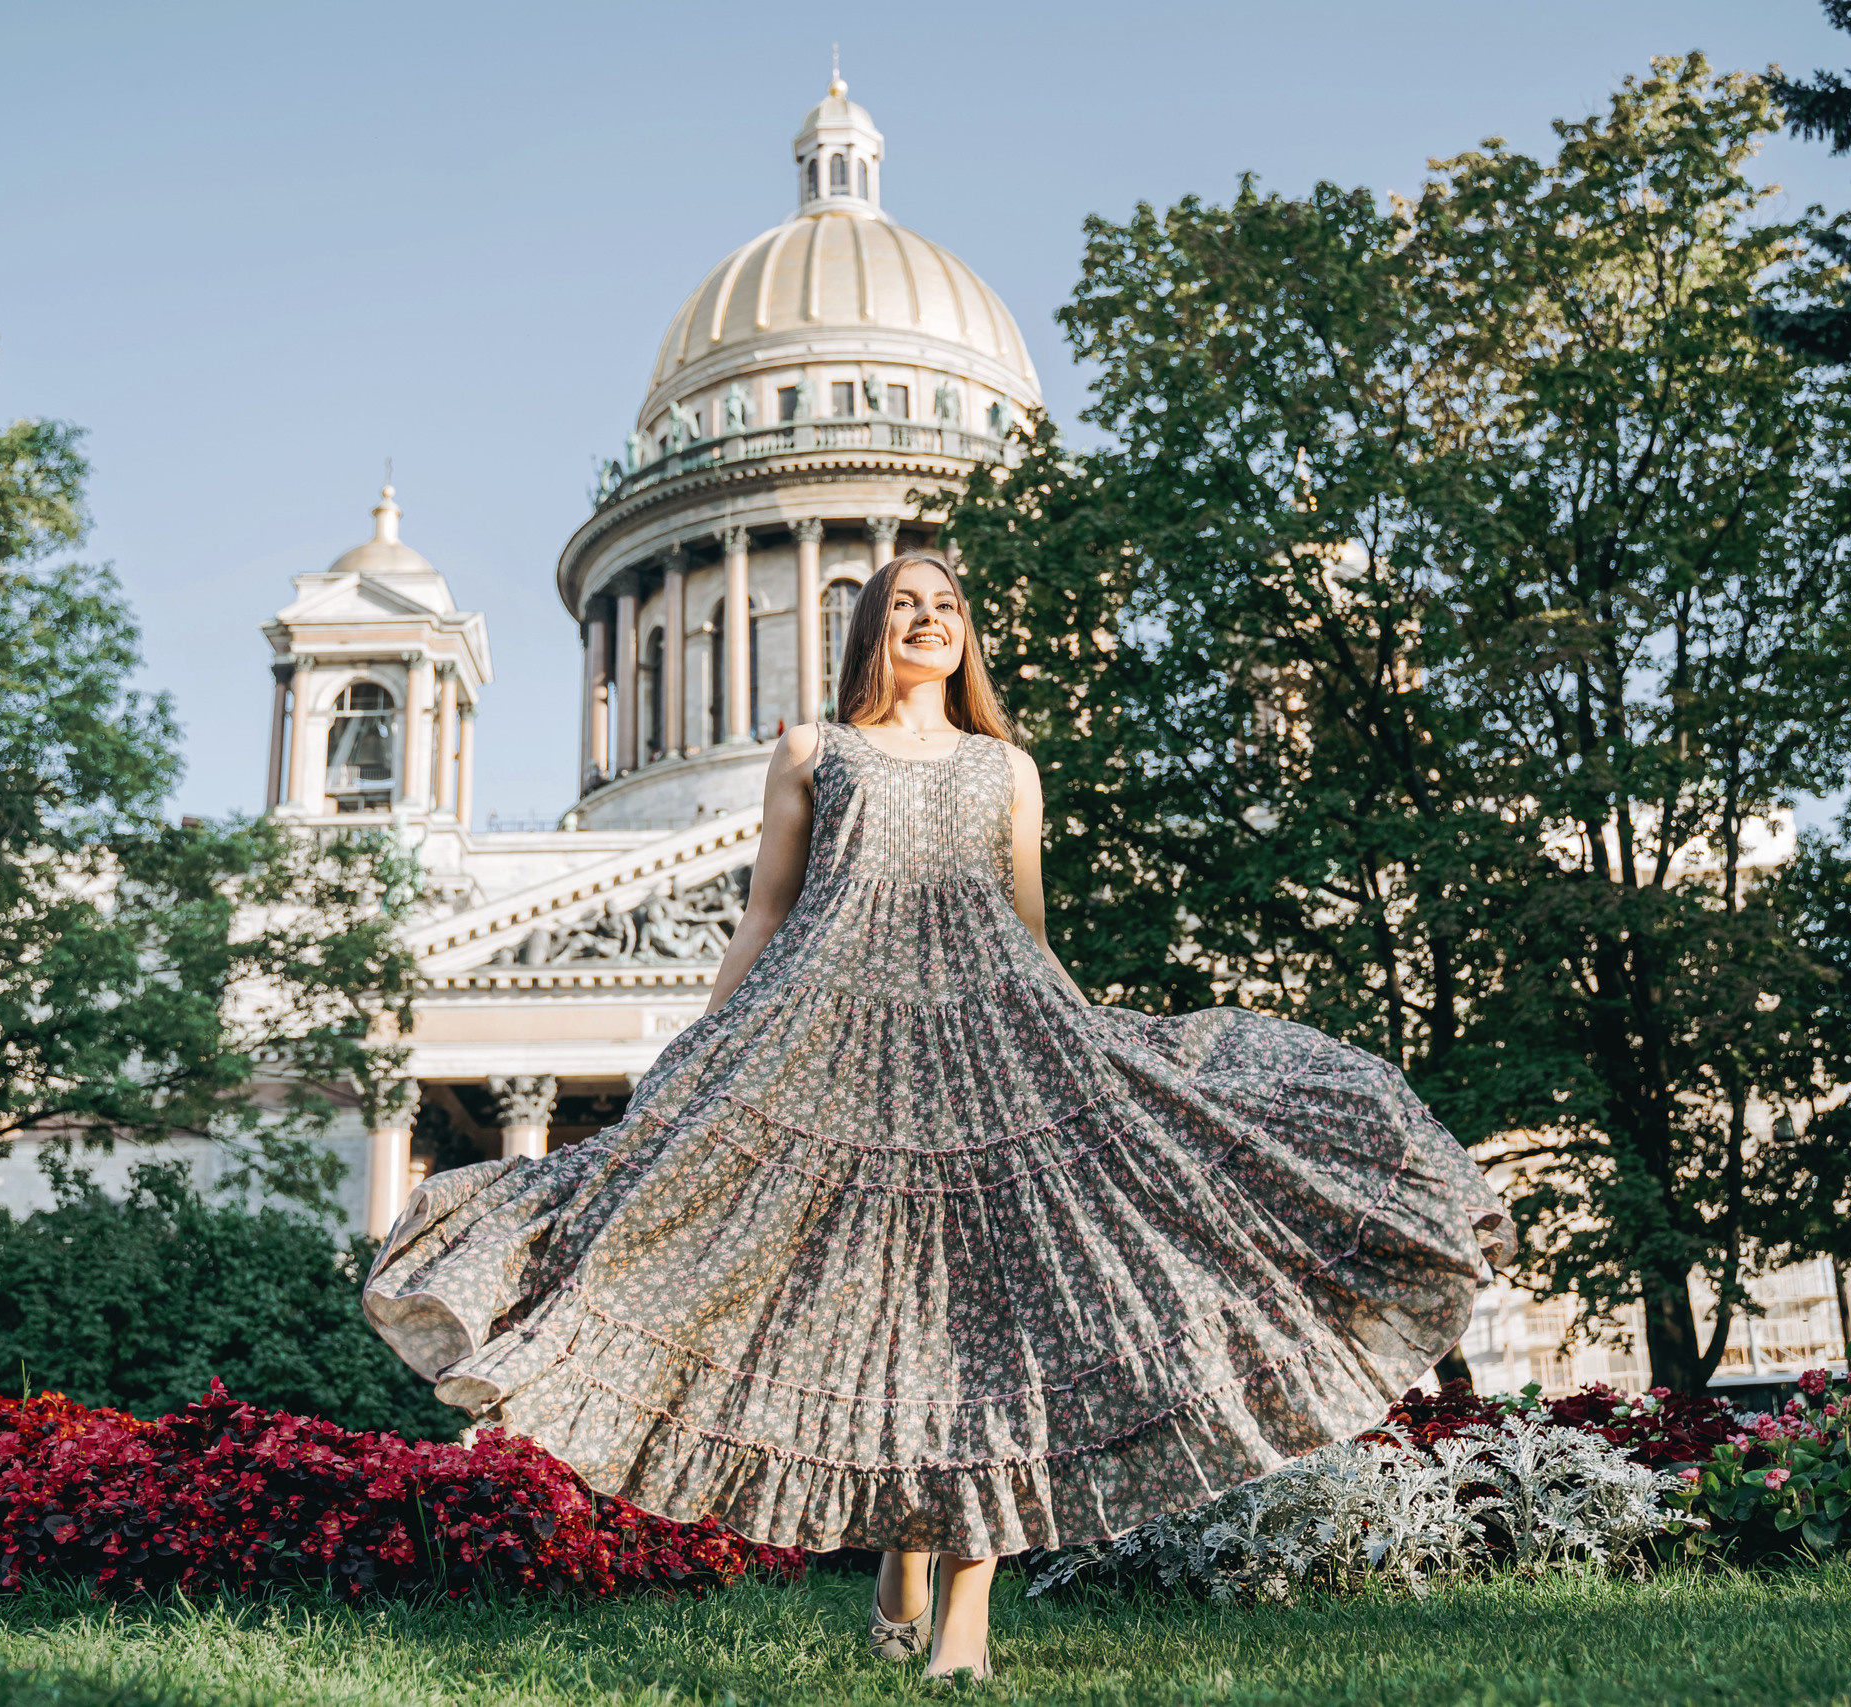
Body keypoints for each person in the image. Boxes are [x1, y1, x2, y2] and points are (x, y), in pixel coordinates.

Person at [365, 553, 1513, 1680]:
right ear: (863, 632)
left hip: (988, 1058)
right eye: (903, 604)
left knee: (995, 1340)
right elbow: (765, 916)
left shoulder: (1006, 768)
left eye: (946, 605)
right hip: (840, 1057)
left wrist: (1109, 1060)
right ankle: (901, 1554)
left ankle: (962, 1623)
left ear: (966, 632)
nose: (929, 618)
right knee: (885, 1332)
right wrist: (697, 1059)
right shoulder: (816, 752)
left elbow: (1028, 933)